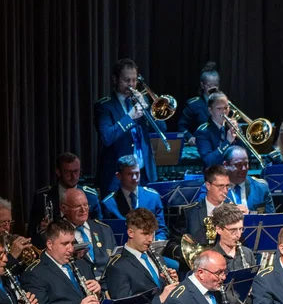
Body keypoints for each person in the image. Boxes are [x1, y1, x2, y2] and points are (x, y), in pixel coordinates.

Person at [95, 58, 166, 193]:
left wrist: (148, 110)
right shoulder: (104, 106)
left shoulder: (141, 100)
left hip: (144, 174)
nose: (131, 85)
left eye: (134, 80)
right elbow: (106, 137)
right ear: (115, 79)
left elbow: (162, 128)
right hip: (117, 177)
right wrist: (130, 116)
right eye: (126, 80)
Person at [28, 152, 101, 239]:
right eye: (68, 172)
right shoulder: (42, 196)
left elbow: (99, 227)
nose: (73, 176)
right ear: (58, 172)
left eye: (76, 171)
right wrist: (41, 229)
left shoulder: (91, 196)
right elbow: (31, 232)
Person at [54, 188, 116, 278]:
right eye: (77, 206)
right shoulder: (56, 233)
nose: (83, 210)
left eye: (86, 205)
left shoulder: (104, 229)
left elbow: (115, 262)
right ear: (64, 208)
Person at [101, 156, 168, 237]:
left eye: (137, 173)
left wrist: (158, 242)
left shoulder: (153, 197)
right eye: (129, 174)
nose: (135, 178)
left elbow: (161, 229)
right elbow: (108, 235)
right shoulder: (109, 203)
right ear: (119, 176)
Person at [222, 145, 275, 214]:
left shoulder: (261, 187)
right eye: (239, 165)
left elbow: (271, 218)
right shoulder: (215, 187)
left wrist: (250, 213)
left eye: (246, 164)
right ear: (226, 165)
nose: (244, 169)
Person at [179, 60, 222, 144]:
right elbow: (182, 127)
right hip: (199, 145)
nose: (213, 88)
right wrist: (190, 137)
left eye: (216, 85)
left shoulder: (223, 104)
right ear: (202, 85)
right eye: (210, 85)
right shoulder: (193, 105)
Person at [209, 203, 258, 272]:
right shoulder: (210, 259)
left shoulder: (248, 253)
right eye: (233, 230)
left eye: (241, 229)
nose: (238, 235)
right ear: (219, 229)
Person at [194, 91, 237, 168]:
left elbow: (246, 155)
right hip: (215, 176)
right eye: (219, 108)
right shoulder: (203, 131)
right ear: (210, 110)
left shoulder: (232, 127)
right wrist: (227, 142)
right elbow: (208, 162)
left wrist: (238, 134)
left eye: (226, 108)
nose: (224, 112)